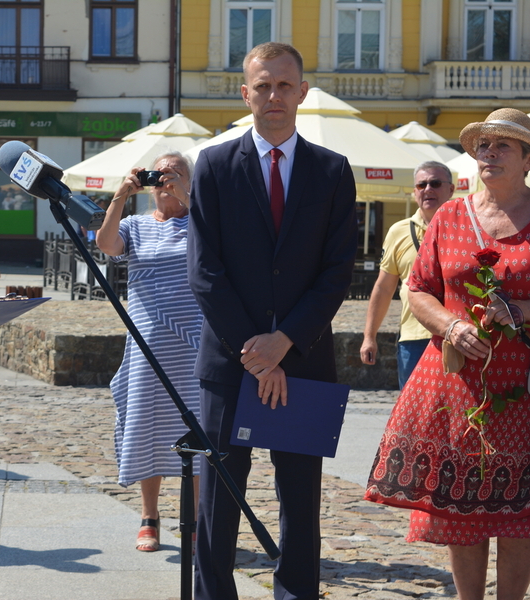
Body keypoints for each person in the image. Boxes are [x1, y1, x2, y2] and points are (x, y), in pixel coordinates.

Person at [187, 42, 357, 599]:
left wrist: (283, 343)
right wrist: (256, 353)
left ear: (303, 92)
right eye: (263, 85)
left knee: (302, 501)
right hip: (229, 364)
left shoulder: (332, 171)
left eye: (285, 85)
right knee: (219, 500)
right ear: (245, 93)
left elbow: (337, 273)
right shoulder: (211, 166)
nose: (274, 95)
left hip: (303, 360)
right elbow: (205, 272)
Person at [364, 108, 530, 600]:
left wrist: (519, 309)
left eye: (503, 145)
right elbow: (417, 289)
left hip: (521, 387)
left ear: (527, 159)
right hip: (456, 385)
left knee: (521, 516)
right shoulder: (452, 216)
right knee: (463, 510)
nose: (489, 152)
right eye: (483, 145)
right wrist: (452, 325)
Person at [96, 151, 203, 552]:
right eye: (160, 174)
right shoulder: (136, 225)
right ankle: (149, 516)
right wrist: (122, 193)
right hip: (147, 344)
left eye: (175, 174)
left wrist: (190, 197)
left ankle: (191, 520)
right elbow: (106, 245)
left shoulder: (201, 221)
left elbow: (220, 243)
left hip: (191, 344)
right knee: (146, 426)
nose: (165, 181)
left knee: (193, 430)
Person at [360, 161, 455, 388]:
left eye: (435, 183)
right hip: (414, 338)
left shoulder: (466, 227)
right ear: (414, 192)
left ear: (451, 189)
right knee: (412, 417)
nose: (427, 189)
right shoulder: (398, 231)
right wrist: (369, 336)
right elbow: (384, 287)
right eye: (421, 185)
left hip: (456, 335)